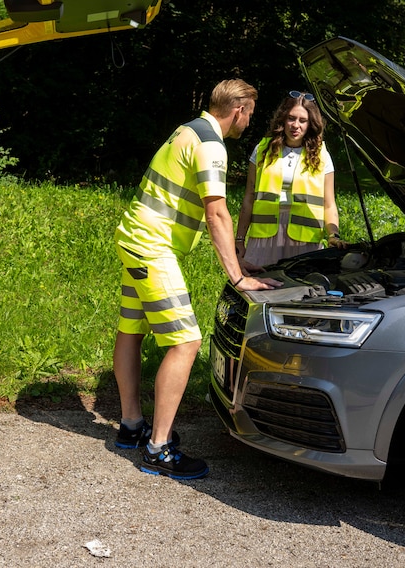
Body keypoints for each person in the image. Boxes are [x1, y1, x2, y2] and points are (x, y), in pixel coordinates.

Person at [112, 79, 283, 480]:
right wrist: (238, 278)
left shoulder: (187, 129)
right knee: (187, 342)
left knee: (131, 329)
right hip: (153, 247)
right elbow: (217, 212)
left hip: (135, 239)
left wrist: (240, 260)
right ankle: (158, 449)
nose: (248, 124)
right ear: (238, 110)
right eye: (250, 116)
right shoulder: (211, 143)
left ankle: (131, 426)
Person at [235, 91, 345, 270]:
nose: (296, 125)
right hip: (265, 236)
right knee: (259, 285)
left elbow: (329, 203)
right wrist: (239, 239)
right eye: (291, 118)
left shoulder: (321, 155)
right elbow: (249, 197)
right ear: (283, 119)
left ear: (311, 124)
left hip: (304, 238)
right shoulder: (263, 149)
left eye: (303, 120)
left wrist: (333, 235)